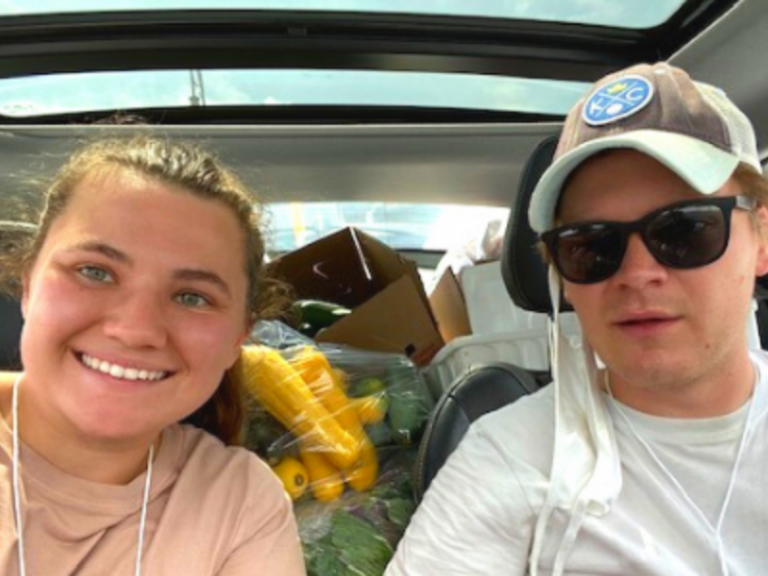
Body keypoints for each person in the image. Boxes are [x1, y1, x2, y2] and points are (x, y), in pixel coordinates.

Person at [386, 62, 768, 575]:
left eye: (684, 230)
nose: (637, 274)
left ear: (761, 238)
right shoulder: (513, 458)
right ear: (562, 277)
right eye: (592, 245)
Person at [0, 137, 307, 575]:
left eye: (192, 297)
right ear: (28, 285)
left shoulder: (240, 502)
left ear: (238, 338)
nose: (136, 330)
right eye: (94, 271)